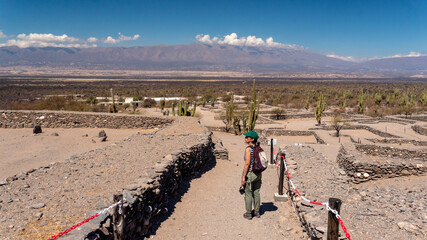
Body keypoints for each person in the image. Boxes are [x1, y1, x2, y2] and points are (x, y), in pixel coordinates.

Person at [241, 130, 262, 220]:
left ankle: (249, 213)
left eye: (247, 137)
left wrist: (243, 177)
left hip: (250, 174)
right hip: (258, 174)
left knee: (248, 193)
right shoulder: (258, 148)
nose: (245, 138)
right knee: (256, 192)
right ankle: (257, 211)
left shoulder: (248, 149)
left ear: (252, 139)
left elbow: (247, 164)